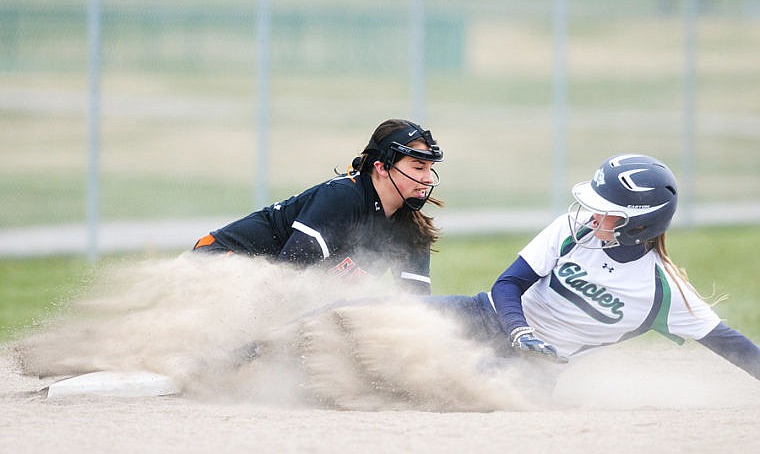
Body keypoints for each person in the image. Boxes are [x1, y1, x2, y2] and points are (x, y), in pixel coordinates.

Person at [421, 153, 760, 379]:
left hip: (536, 369)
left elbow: (733, 345)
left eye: (607, 209)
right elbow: (508, 285)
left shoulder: (663, 292)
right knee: (383, 315)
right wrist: (520, 331)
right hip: (488, 315)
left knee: (448, 377)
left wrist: (529, 347)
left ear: (639, 225)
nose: (593, 213)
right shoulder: (573, 228)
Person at [192, 118, 444, 294]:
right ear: (381, 167)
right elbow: (286, 275)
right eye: (418, 167)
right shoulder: (344, 198)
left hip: (272, 290)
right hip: (218, 260)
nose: (428, 178)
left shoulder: (412, 228)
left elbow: (417, 308)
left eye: (430, 169)